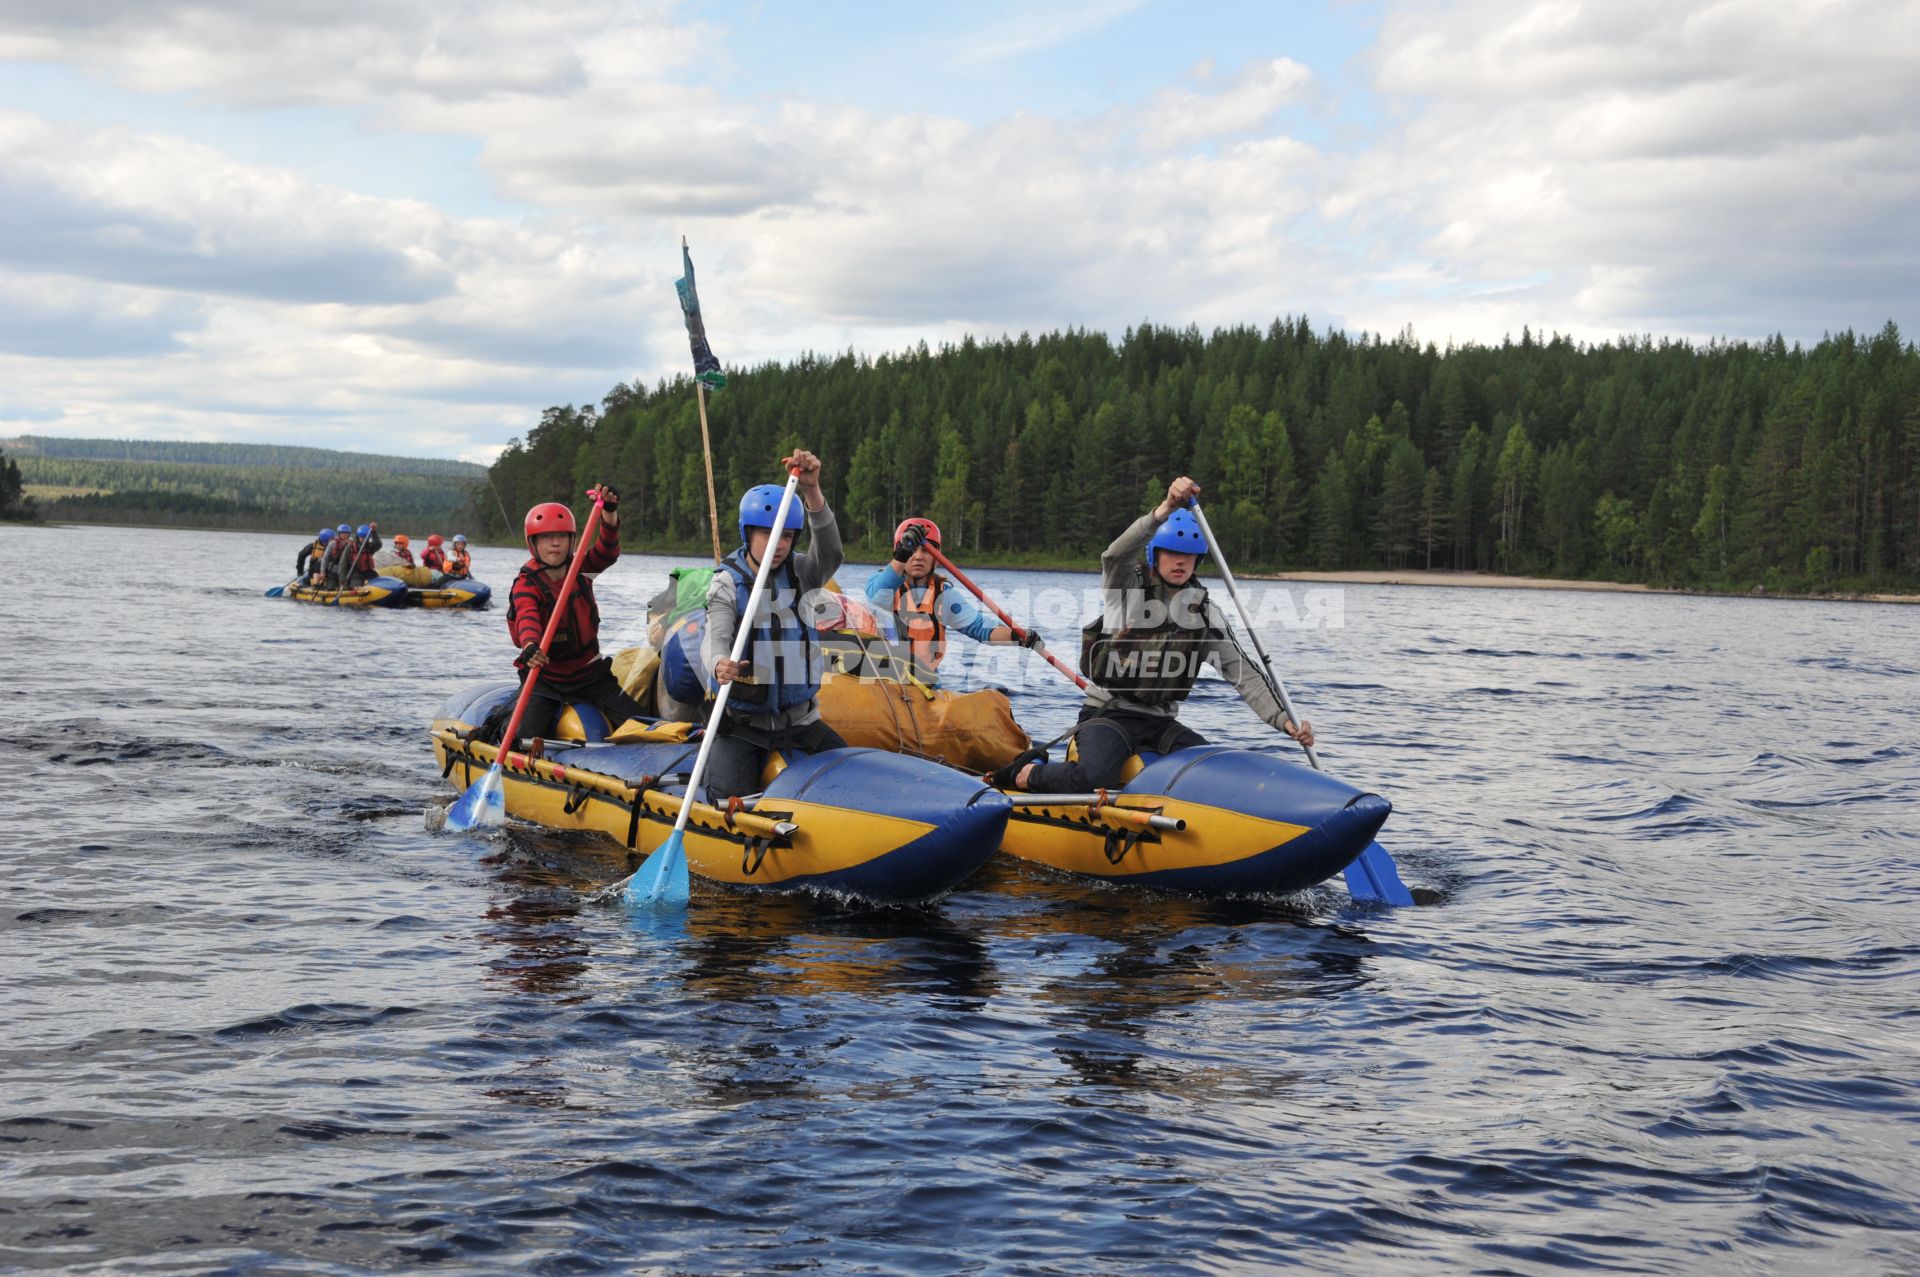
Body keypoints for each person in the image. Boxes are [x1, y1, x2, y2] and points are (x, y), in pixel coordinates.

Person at [998, 476, 1314, 792]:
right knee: (1094, 778)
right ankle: (1028, 775)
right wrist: (1163, 510)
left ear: (1197, 561)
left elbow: (1243, 674)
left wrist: (1285, 720)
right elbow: (1114, 556)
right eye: (1172, 553)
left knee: (1216, 768)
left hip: (1160, 723)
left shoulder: (1204, 614)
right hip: (1109, 715)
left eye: (1188, 555)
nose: (1180, 561)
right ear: (1154, 555)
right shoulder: (1125, 589)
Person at [700, 451, 846, 802]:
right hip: (743, 725)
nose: (778, 545)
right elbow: (715, 636)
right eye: (767, 534)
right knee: (725, 797)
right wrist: (719, 662)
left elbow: (831, 553)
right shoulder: (726, 582)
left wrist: (812, 491)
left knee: (848, 777)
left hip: (802, 723)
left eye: (785, 536)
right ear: (747, 534)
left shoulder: (803, 573)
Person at [499, 485, 645, 744]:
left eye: (561, 537)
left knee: (641, 724)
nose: (555, 543)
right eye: (546, 537)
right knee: (521, 738)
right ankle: (501, 727)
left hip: (590, 675)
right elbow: (526, 616)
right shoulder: (526, 583)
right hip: (545, 678)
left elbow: (608, 552)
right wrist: (531, 646)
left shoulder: (582, 569)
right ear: (533, 543)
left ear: (572, 540)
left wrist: (609, 512)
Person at [863, 517, 1042, 685]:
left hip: (924, 686)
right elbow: (876, 599)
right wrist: (902, 555)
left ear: (937, 559)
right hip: (883, 681)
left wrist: (1016, 636)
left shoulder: (944, 595)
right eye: (911, 550)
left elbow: (980, 627)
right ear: (899, 552)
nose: (918, 556)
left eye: (926, 550)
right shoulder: (882, 582)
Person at [344, 522, 382, 587]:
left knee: (379, 584)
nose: (363, 539)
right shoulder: (350, 547)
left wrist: (374, 532)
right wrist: (342, 578)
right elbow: (343, 563)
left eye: (365, 537)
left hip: (368, 572)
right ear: (358, 536)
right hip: (355, 573)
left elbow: (378, 545)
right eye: (361, 537)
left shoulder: (369, 547)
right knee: (355, 586)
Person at [322, 523, 355, 588]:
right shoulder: (332, 543)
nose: (345, 534)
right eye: (342, 533)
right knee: (330, 587)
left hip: (347, 571)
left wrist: (351, 546)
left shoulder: (353, 544)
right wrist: (322, 571)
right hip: (334, 571)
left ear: (349, 534)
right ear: (339, 534)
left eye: (347, 533)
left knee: (349, 586)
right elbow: (325, 559)